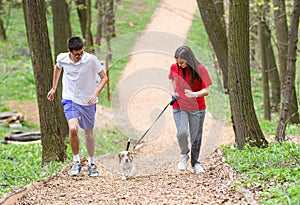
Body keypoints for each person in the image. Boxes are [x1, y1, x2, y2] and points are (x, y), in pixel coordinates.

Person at [47, 36, 108, 177]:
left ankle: (92, 163)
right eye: (77, 54)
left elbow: (104, 77)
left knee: (88, 133)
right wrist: (54, 88)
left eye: (81, 52)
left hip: (88, 101)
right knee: (73, 128)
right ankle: (76, 161)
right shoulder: (62, 58)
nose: (80, 56)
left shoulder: (91, 59)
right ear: (69, 51)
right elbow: (57, 67)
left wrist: (95, 93)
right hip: (70, 99)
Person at [168, 45, 212, 174]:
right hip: (179, 106)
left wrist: (195, 94)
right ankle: (183, 154)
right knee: (182, 133)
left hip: (197, 108)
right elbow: (171, 80)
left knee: (196, 137)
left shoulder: (200, 69)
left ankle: (195, 164)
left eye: (182, 62)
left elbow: (206, 91)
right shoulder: (174, 67)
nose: (179, 65)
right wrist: (173, 92)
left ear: (189, 59)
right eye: (178, 62)